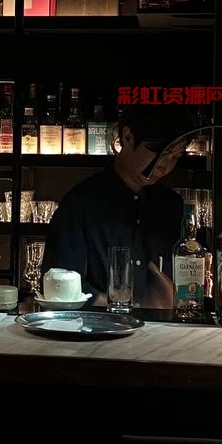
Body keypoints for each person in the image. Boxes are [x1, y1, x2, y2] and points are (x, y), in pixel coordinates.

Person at [41, 104, 191, 309]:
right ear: (128, 137)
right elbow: (58, 283)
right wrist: (117, 304)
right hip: (96, 326)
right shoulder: (81, 203)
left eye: (175, 157)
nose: (165, 165)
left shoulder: (172, 205)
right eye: (158, 152)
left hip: (164, 327)